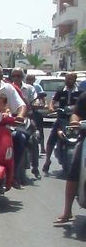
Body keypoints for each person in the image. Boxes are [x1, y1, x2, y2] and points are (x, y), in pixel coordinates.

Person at [53, 92, 86, 224]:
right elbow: (75, 113)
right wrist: (74, 121)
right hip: (85, 139)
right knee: (74, 168)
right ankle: (67, 211)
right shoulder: (84, 97)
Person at [42, 72, 81, 174]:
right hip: (62, 119)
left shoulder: (80, 92)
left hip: (75, 121)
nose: (68, 81)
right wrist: (51, 108)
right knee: (52, 138)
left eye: (70, 79)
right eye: (66, 79)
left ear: (75, 79)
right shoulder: (60, 91)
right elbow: (53, 102)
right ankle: (47, 160)